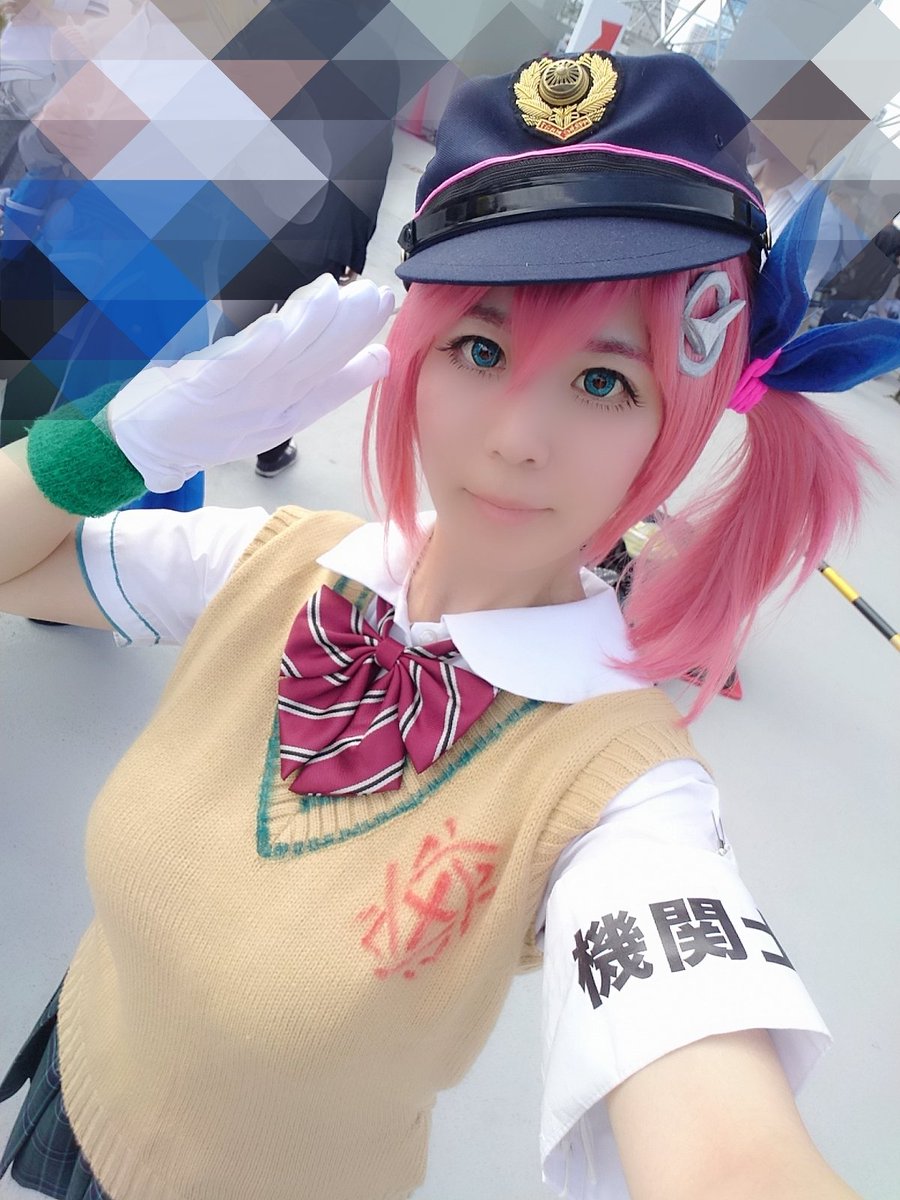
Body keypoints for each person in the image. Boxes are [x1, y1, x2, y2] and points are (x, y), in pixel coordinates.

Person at [0, 48, 898, 1200]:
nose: (515, 437)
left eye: (603, 382)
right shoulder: (278, 564)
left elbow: (725, 1140)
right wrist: (118, 444)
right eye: (480, 349)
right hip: (76, 1074)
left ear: (671, 426)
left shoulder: (622, 792)